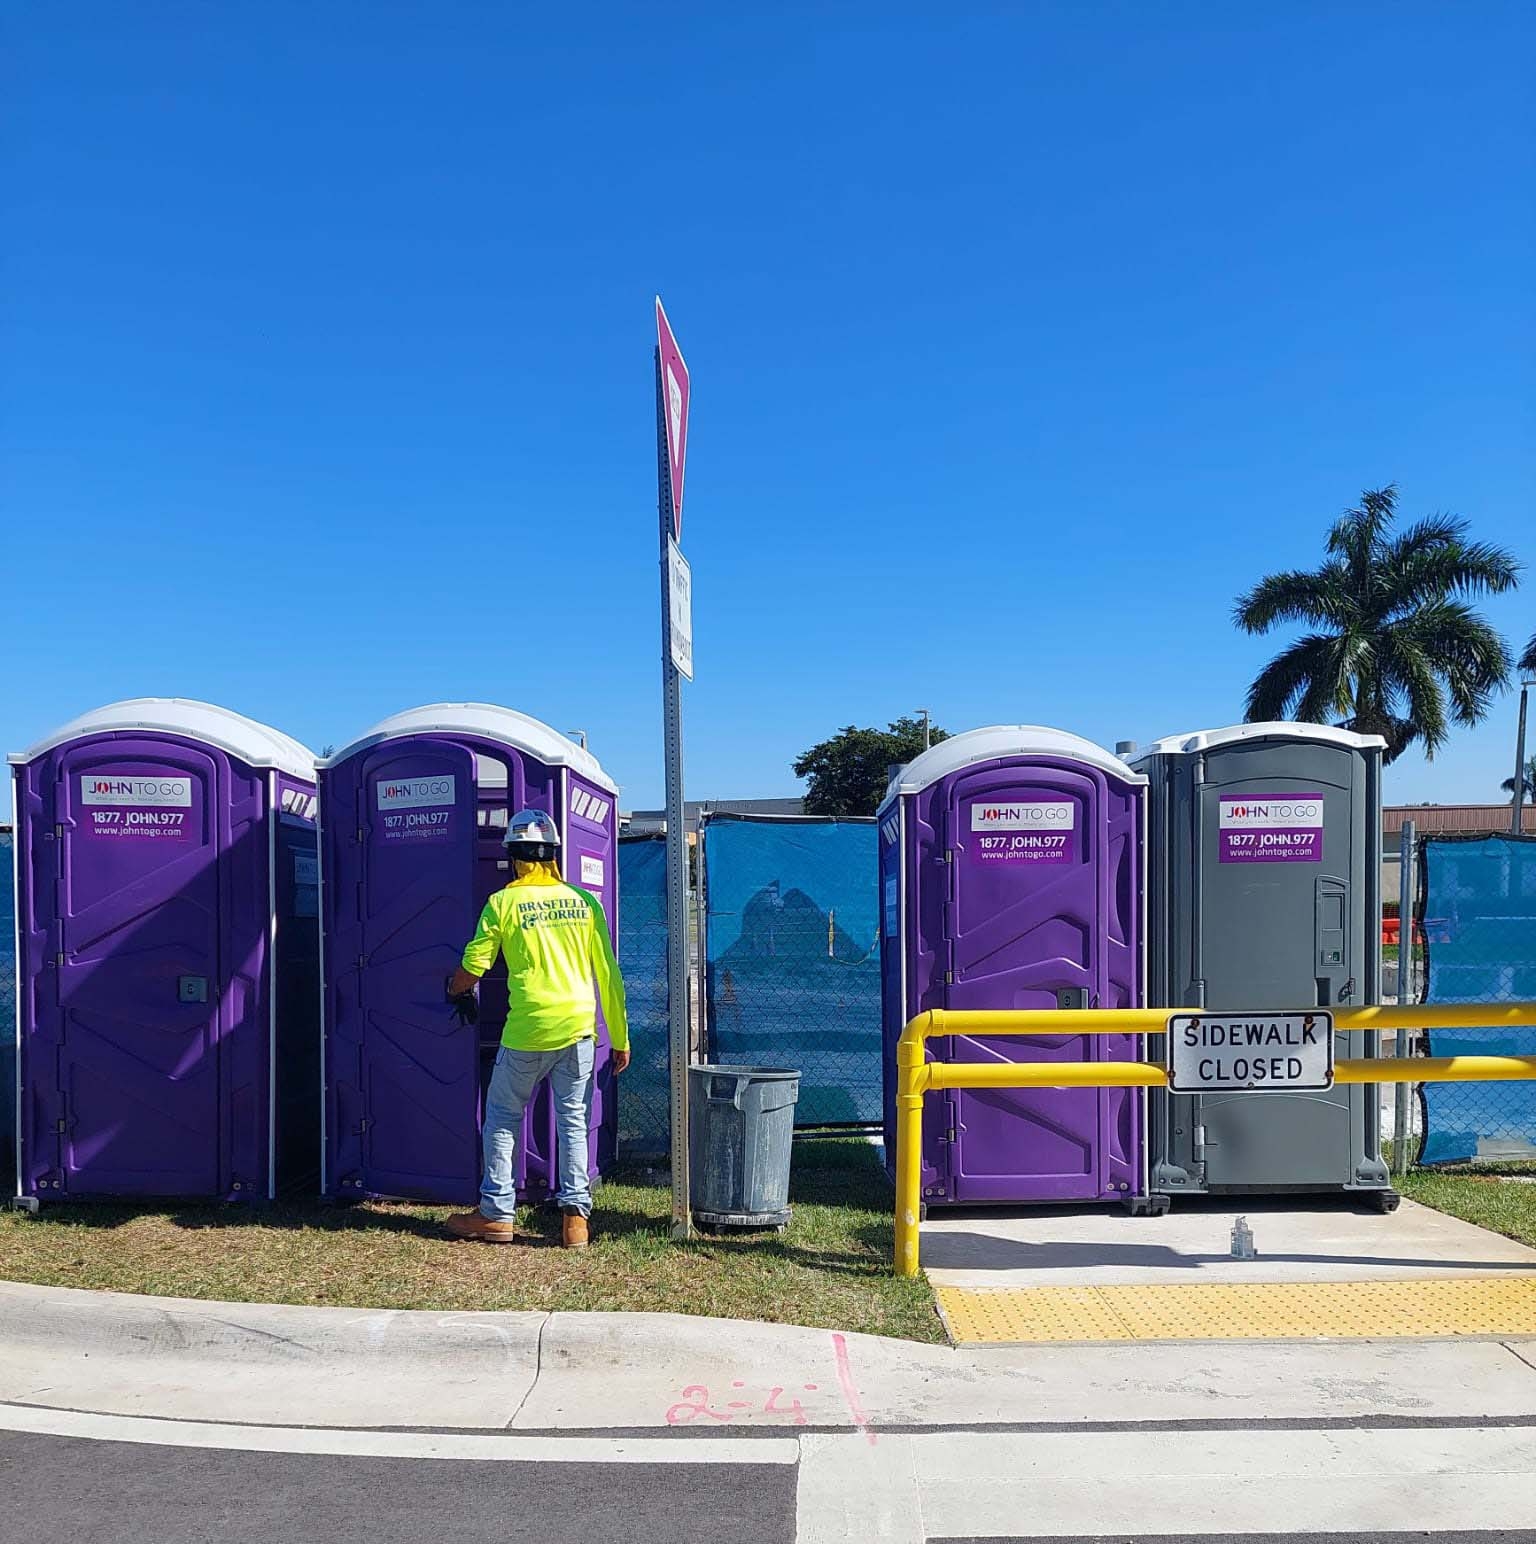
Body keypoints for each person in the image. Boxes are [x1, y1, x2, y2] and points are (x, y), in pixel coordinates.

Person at [443, 809, 629, 1249]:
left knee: (503, 1119)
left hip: (527, 1029)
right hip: (579, 1028)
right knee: (573, 1122)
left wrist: (455, 989)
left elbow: (475, 965)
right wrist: (619, 1039)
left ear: (513, 857)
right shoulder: (584, 902)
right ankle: (575, 1223)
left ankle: (496, 1215)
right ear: (553, 855)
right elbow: (609, 975)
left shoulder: (503, 902)